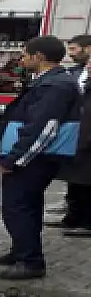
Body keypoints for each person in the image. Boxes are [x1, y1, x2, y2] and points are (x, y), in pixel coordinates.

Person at [0, 36, 83, 279]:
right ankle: (20, 251)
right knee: (27, 207)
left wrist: (15, 160)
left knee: (17, 208)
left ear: (39, 57)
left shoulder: (55, 86)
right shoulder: (49, 82)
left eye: (25, 53)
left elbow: (43, 127)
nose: (22, 58)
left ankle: (30, 261)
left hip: (34, 159)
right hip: (34, 158)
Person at [46, 34, 91, 223]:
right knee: (74, 179)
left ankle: (86, 220)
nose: (69, 54)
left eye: (73, 49)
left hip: (88, 135)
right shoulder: (73, 73)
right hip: (75, 133)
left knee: (86, 179)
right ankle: (73, 215)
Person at [57, 45, 91, 238]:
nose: (88, 66)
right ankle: (73, 217)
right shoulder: (84, 83)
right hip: (80, 140)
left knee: (87, 185)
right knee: (76, 183)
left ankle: (87, 223)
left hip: (88, 143)